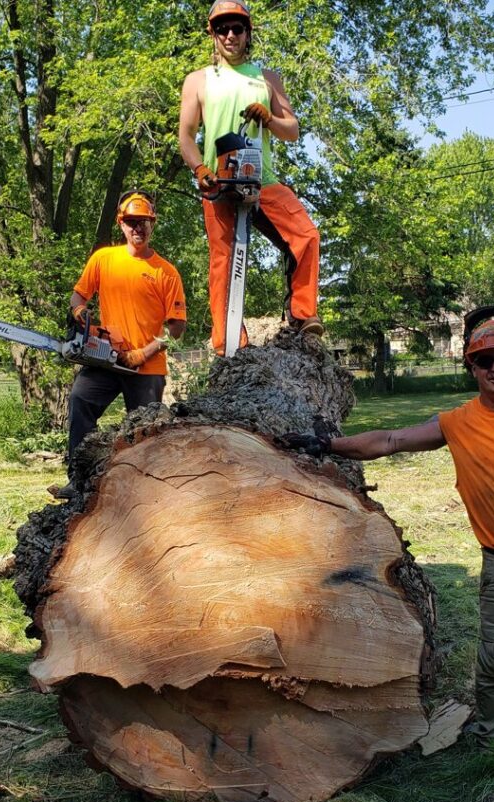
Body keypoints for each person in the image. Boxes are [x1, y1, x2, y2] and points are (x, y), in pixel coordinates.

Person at [280, 307, 494, 767]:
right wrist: (328, 445)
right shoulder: (457, 423)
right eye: (484, 361)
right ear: (472, 368)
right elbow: (391, 441)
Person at [178, 0, 322, 355]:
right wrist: (200, 169)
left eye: (237, 29)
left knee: (305, 236)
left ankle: (302, 317)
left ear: (248, 34)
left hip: (263, 178)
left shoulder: (267, 78)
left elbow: (292, 130)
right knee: (223, 262)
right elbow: (185, 135)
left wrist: (269, 118)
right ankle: (229, 342)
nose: (230, 35)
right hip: (218, 182)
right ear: (212, 34)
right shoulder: (198, 80)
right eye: (222, 28)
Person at [51, 190, 186, 498]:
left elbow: (176, 328)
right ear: (121, 224)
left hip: (147, 367)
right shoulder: (104, 259)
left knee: (145, 432)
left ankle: (147, 491)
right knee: (81, 400)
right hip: (106, 358)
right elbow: (78, 296)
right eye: (131, 222)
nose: (138, 228)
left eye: (144, 222)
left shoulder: (166, 272)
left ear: (153, 224)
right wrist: (81, 315)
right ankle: (78, 480)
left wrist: (146, 351)